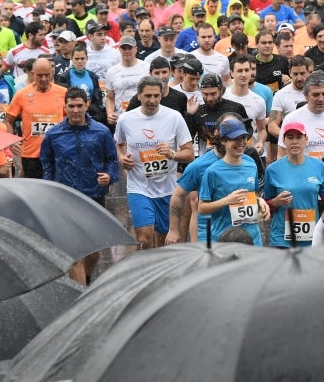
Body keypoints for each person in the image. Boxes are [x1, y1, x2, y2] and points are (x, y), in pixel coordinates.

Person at [40, 87, 119, 284]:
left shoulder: (101, 132)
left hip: (93, 197)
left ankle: (87, 278)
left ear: (87, 106)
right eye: (71, 106)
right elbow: (47, 163)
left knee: (93, 251)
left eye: (79, 106)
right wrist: (49, 188)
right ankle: (80, 292)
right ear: (65, 107)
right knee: (74, 251)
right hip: (64, 198)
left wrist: (109, 176)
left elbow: (112, 160)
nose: (75, 110)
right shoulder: (54, 134)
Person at [116, 76, 194, 250]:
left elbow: (189, 154)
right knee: (144, 237)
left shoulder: (174, 117)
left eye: (156, 96)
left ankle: (158, 270)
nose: (152, 100)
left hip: (167, 189)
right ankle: (146, 268)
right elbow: (119, 144)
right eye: (148, 96)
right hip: (138, 187)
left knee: (163, 241)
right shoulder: (126, 119)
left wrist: (172, 154)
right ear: (138, 96)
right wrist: (122, 157)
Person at [198, 119, 270, 245]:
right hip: (224, 239)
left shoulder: (251, 164)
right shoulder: (212, 172)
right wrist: (227, 201)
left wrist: (259, 201)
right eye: (235, 138)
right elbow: (202, 208)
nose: (241, 143)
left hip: (253, 239)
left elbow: (254, 195)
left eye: (244, 138)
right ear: (223, 140)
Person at [264, 121, 324, 248]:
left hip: (311, 238)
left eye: (299, 137)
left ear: (306, 139)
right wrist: (276, 202)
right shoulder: (272, 169)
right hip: (282, 239)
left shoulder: (319, 166)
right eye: (290, 138)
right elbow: (265, 207)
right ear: (283, 141)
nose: (295, 142)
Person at [278, 72, 324, 159]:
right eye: (315, 95)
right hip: (305, 171)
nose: (321, 99)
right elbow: (282, 154)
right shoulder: (291, 119)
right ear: (305, 96)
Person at [224, 55, 268, 155]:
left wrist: (261, 142)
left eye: (247, 70)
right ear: (232, 73)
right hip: (226, 153)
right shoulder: (223, 97)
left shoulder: (258, 100)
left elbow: (261, 129)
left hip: (249, 152)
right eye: (239, 71)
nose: (244, 74)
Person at [104, 35, 150, 125]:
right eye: (124, 48)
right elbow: (110, 97)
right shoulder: (112, 71)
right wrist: (109, 113)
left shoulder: (146, 67)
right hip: (121, 119)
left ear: (136, 49)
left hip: (144, 118)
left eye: (130, 48)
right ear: (119, 50)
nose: (127, 51)